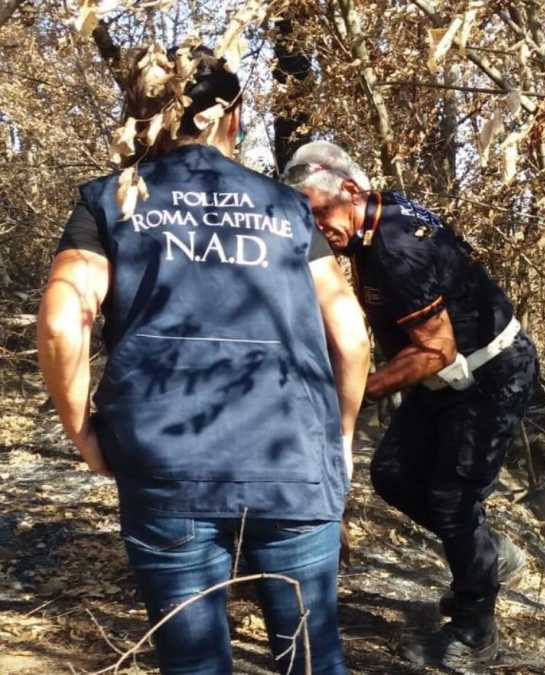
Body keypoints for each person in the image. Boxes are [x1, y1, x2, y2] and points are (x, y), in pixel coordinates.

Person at [36, 48, 369, 675]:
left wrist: (80, 429)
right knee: (313, 661)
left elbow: (61, 321)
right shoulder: (289, 207)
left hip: (167, 463)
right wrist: (343, 435)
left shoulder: (113, 201)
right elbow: (350, 333)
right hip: (292, 455)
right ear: (230, 117)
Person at [283, 142, 538, 669]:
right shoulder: (375, 221)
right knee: (395, 475)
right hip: (445, 377)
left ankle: (475, 628)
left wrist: (359, 388)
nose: (313, 229)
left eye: (316, 212)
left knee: (452, 499)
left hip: (489, 373)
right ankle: (486, 557)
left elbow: (435, 347)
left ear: (350, 192)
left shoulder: (398, 247)